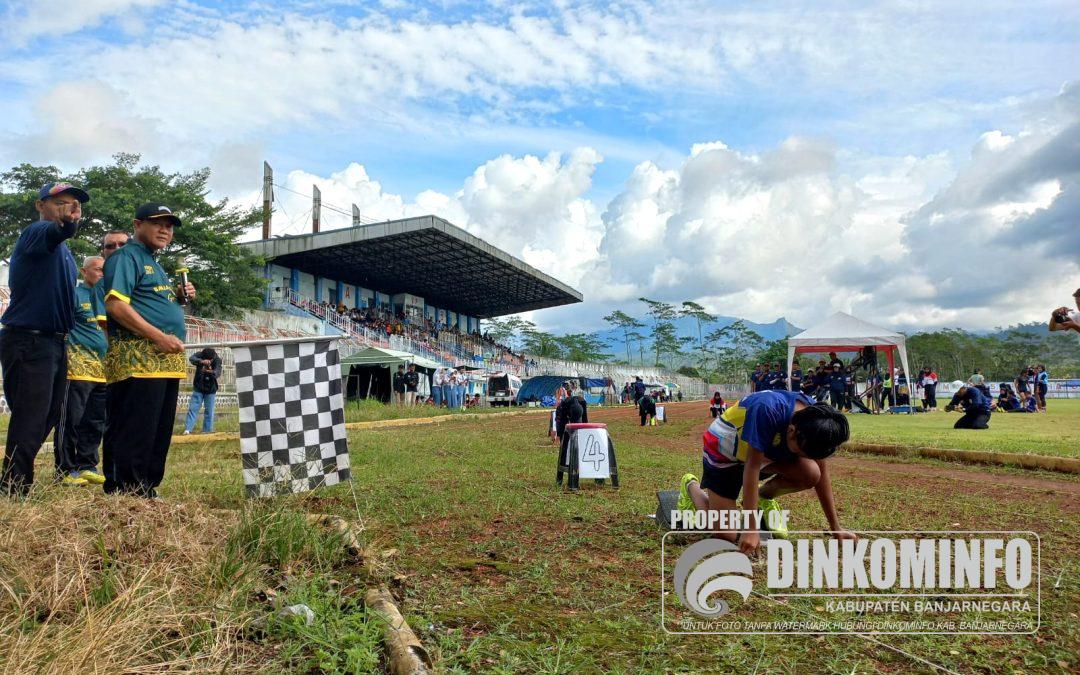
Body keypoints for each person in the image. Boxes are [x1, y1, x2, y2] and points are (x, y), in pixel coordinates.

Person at [677, 390, 854, 552]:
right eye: (802, 453)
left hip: (762, 455)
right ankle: (690, 486)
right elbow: (751, 468)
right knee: (726, 535)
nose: (803, 457)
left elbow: (821, 473)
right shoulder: (767, 410)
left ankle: (763, 499)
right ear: (791, 431)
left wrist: (836, 528)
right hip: (724, 454)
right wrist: (751, 529)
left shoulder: (816, 423)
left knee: (811, 473)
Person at [101, 203, 195, 497]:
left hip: (164, 362)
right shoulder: (126, 257)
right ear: (137, 225)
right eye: (157, 223)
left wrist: (178, 298)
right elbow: (116, 305)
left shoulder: (154, 263)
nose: (165, 229)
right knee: (135, 428)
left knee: (158, 430)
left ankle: (146, 489)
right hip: (137, 361)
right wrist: (159, 337)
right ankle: (125, 490)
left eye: (169, 225)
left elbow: (152, 305)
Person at [1, 182, 88, 495]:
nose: (69, 208)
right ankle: (14, 487)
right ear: (41, 205)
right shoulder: (36, 233)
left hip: (54, 342)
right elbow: (56, 232)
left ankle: (14, 474)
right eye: (61, 203)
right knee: (31, 416)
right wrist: (66, 225)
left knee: (48, 414)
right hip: (29, 340)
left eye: (74, 204)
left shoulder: (63, 252)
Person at [52, 255, 109, 487]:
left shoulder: (110, 297)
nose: (103, 274)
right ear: (84, 272)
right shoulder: (74, 295)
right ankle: (64, 469)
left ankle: (87, 465)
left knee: (96, 421)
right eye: (98, 270)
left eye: (106, 270)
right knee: (70, 420)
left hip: (104, 370)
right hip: (77, 369)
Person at [183, 347, 221, 434]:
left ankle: (207, 431)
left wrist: (210, 372)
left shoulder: (217, 360)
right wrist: (201, 361)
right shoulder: (200, 355)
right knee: (193, 409)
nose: (208, 361)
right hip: (198, 387)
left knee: (209, 411)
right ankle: (187, 430)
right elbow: (191, 358)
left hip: (211, 389)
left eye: (209, 360)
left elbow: (217, 372)